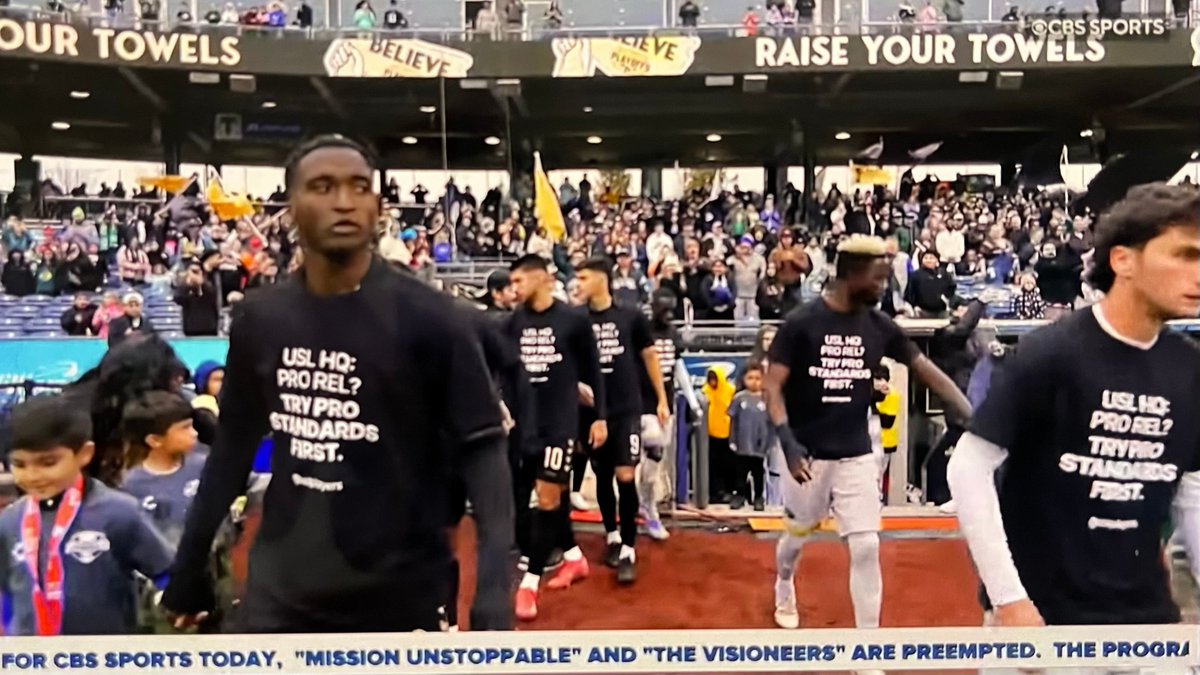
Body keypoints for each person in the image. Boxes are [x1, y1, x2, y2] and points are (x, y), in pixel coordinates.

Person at [162, 135, 514, 633]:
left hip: (399, 594)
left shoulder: (434, 318)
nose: (344, 201)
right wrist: (188, 566)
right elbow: (232, 449)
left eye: (359, 187)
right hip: (281, 588)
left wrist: (494, 592)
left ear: (378, 205)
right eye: (323, 186)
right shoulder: (261, 318)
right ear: (290, 208)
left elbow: (484, 448)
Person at [948, 183, 1200, 628]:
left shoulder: (1189, 366)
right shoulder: (1052, 353)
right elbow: (967, 467)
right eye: (1184, 255)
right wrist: (1009, 599)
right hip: (1047, 624)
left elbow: (1193, 492)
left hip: (1146, 621)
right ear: (1123, 261)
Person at [764, 234, 972, 633]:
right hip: (806, 455)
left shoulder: (880, 326)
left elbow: (926, 372)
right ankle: (784, 582)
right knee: (796, 537)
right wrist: (788, 443)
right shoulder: (801, 324)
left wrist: (974, 416)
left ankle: (868, 648)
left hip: (856, 454)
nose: (883, 287)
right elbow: (772, 388)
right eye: (876, 279)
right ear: (849, 275)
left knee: (865, 545)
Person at [0, 395, 174, 635]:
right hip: (31, 662)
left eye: (48, 462)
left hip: (107, 659)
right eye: (19, 465)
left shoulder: (119, 511)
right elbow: (7, 590)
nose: (32, 475)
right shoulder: (9, 521)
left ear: (84, 454)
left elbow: (165, 571)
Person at [505, 253, 606, 621]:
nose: (512, 289)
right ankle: (575, 559)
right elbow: (503, 370)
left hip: (560, 424)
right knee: (553, 499)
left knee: (546, 501)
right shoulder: (513, 323)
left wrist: (600, 418)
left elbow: (595, 372)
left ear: (542, 278)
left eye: (518, 281)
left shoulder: (573, 320)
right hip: (525, 425)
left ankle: (529, 584)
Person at [574, 257, 669, 584]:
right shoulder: (577, 319)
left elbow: (649, 356)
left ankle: (629, 547)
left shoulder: (630, 316)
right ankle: (612, 535)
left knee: (626, 474)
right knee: (601, 474)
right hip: (591, 412)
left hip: (627, 408)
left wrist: (661, 399)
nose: (579, 284)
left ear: (602, 279)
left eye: (584, 278)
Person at [120, 391, 205, 547]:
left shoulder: (204, 465)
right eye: (184, 428)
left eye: (192, 425)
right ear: (154, 440)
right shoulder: (131, 486)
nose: (194, 433)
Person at [729, 362, 772, 511]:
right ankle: (740, 496)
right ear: (744, 379)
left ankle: (759, 498)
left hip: (759, 445)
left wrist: (769, 443)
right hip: (742, 444)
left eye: (758, 378)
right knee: (740, 473)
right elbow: (733, 421)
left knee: (758, 473)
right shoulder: (739, 398)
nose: (754, 381)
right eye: (750, 378)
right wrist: (732, 440)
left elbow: (772, 424)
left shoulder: (768, 399)